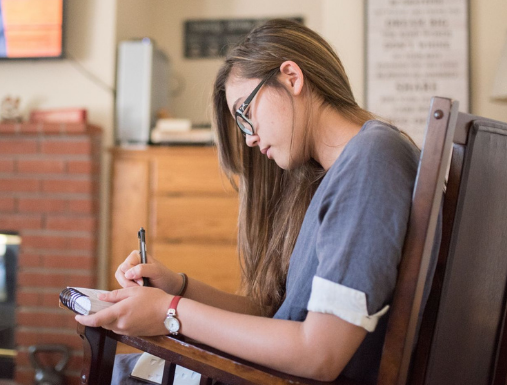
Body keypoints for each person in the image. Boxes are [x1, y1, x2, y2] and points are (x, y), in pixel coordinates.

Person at [76, 19, 421, 383]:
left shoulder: (370, 161)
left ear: (292, 78)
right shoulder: (344, 170)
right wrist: (178, 287)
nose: (250, 139)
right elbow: (278, 317)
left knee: (118, 373)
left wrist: (170, 312)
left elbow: (319, 354)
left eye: (245, 112)